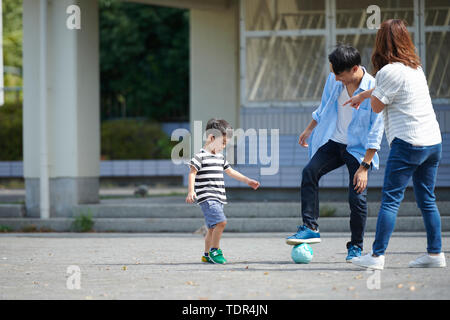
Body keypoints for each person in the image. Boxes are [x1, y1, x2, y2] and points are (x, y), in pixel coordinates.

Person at [346, 19, 446, 270]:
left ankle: (377, 256)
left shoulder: (388, 72)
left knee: (390, 200)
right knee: (427, 199)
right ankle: (435, 254)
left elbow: (378, 106)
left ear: (381, 42)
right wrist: (362, 93)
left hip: (409, 143)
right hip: (433, 142)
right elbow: (389, 91)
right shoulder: (415, 68)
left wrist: (369, 94)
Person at [285, 45, 384, 262]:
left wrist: (365, 167)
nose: (336, 78)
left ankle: (356, 247)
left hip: (358, 150)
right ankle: (310, 226)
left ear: (355, 68)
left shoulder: (374, 88)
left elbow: (377, 131)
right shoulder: (334, 79)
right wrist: (309, 128)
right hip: (334, 141)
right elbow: (325, 106)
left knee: (356, 196)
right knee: (309, 171)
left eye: (339, 74)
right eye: (333, 73)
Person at [186, 118, 260, 264]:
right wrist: (191, 191)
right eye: (223, 143)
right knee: (221, 222)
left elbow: (231, 172)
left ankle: (206, 255)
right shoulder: (200, 156)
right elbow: (192, 173)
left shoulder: (220, 158)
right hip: (207, 197)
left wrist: (248, 181)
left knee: (212, 228)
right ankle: (215, 250)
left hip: (218, 198)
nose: (224, 146)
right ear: (212, 138)